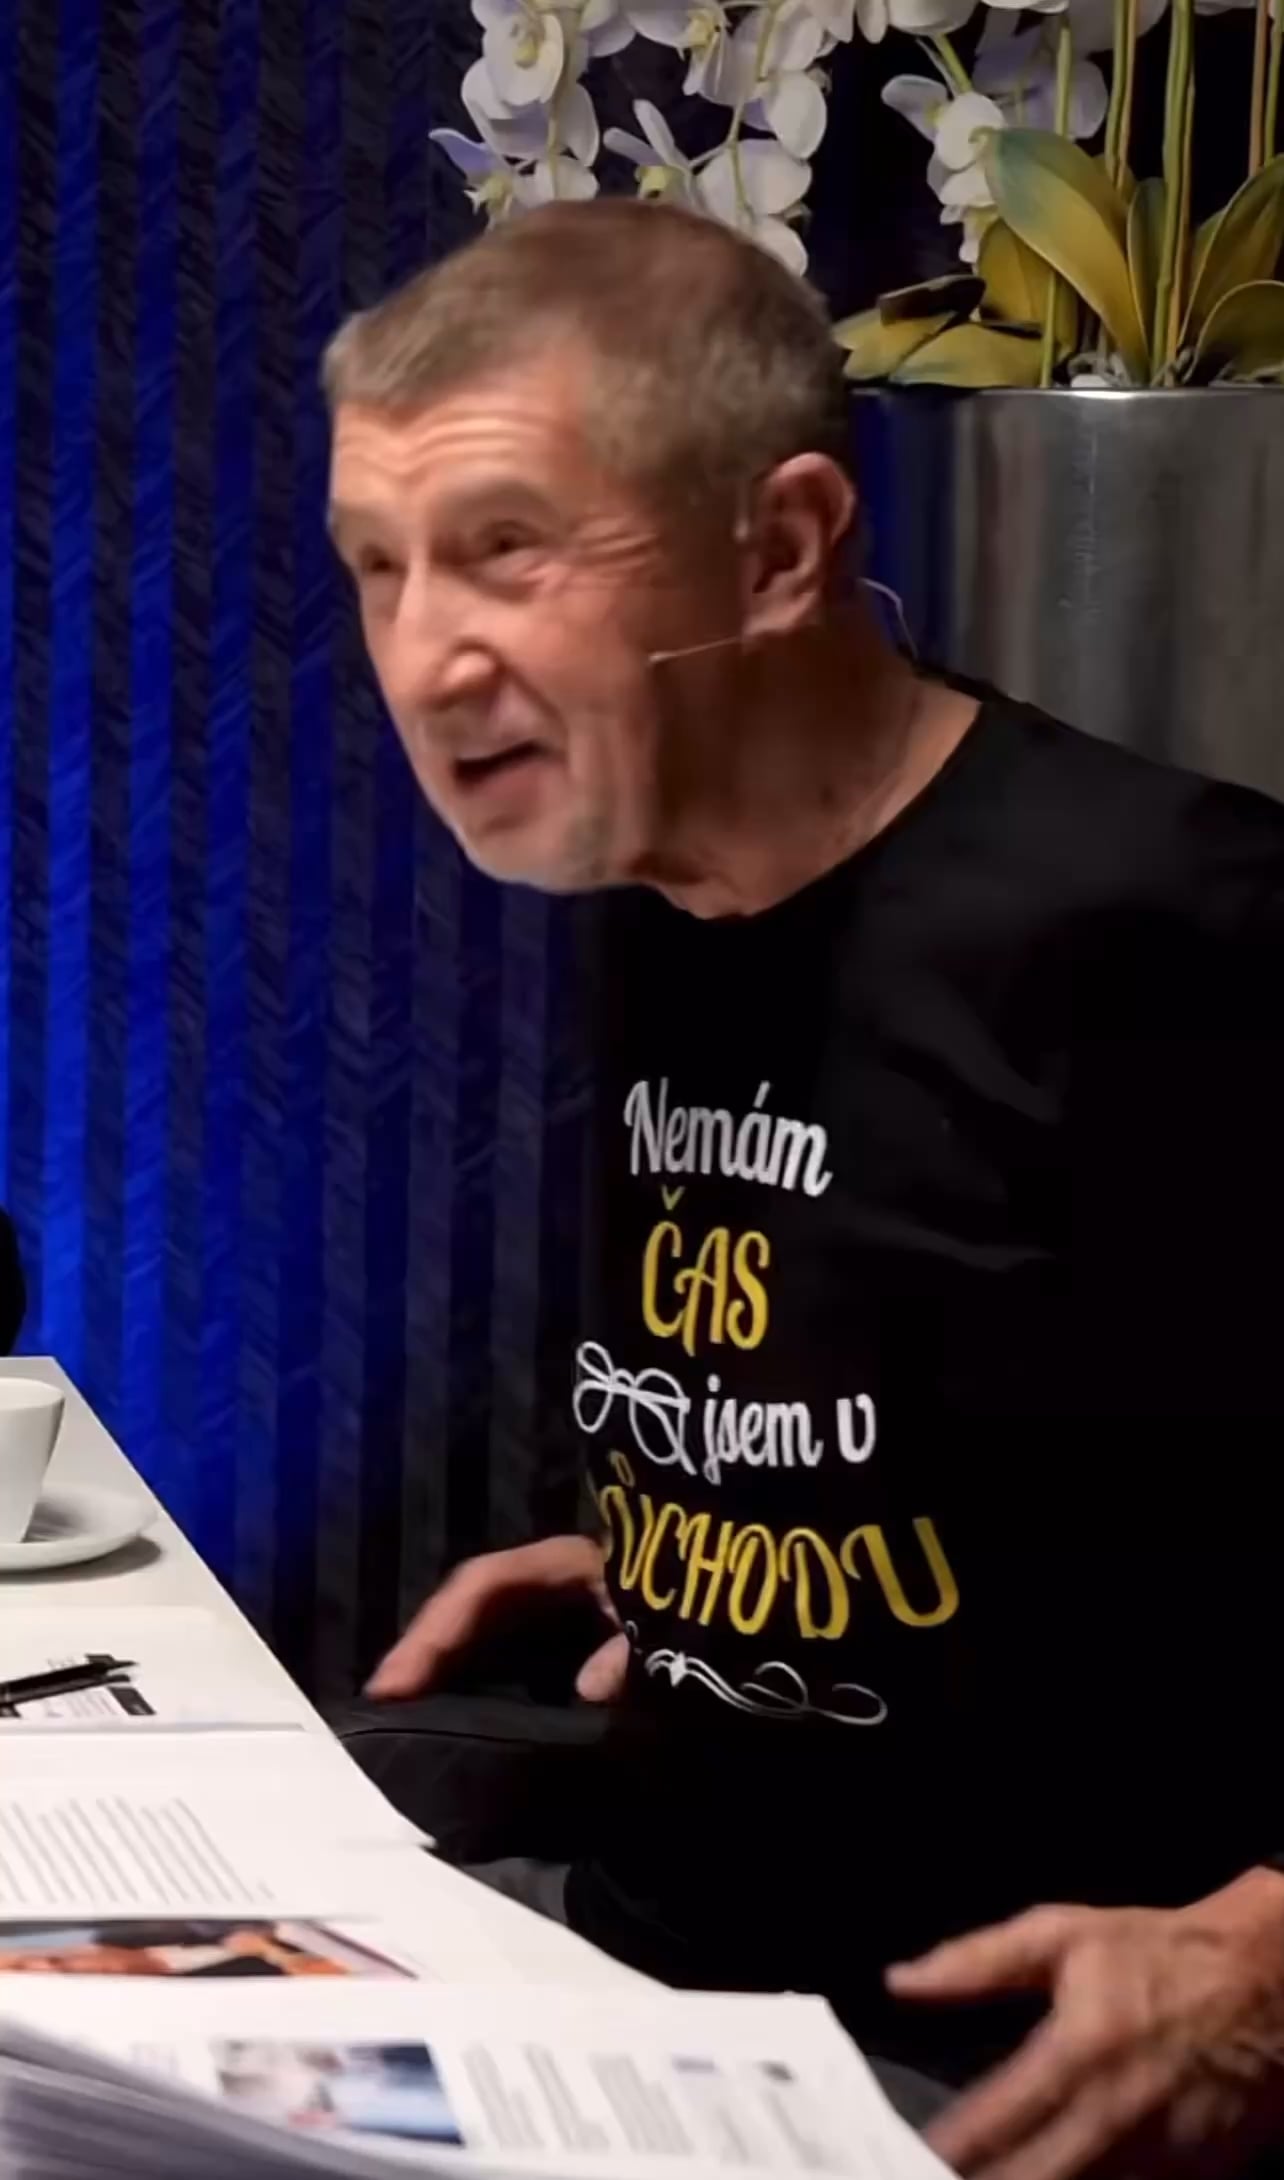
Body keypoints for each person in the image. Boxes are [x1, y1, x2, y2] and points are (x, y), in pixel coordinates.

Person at [323, 198, 1284, 2178]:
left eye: (507, 547)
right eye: (378, 566)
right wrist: (707, 1546)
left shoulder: (1184, 923)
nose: (424, 655)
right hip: (656, 1978)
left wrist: (1262, 1958)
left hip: (1013, 2080)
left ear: (778, 553)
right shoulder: (665, 873)